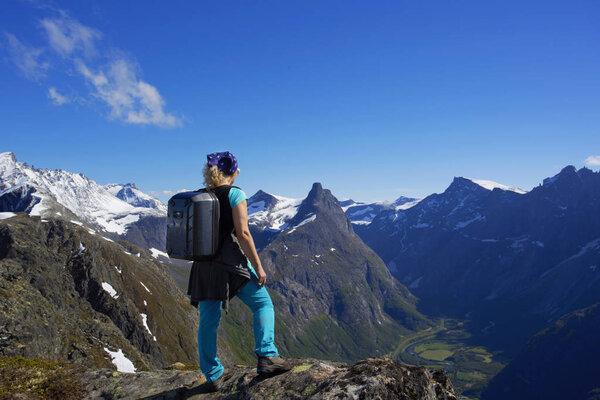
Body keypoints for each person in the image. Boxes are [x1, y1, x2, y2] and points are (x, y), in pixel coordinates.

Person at [187, 151, 290, 392]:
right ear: (233, 172)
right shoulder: (235, 193)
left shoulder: (202, 196)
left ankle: (212, 375)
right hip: (231, 265)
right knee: (263, 304)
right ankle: (267, 356)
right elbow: (243, 233)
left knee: (208, 321)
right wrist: (258, 265)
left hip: (203, 267)